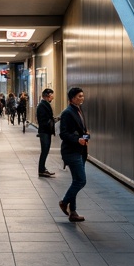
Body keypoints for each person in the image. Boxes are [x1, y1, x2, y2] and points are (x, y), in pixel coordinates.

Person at [58, 87, 89, 221]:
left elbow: (80, 130)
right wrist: (78, 139)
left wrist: (85, 137)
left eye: (82, 96)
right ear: (72, 98)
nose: (82, 98)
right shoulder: (67, 113)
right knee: (81, 180)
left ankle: (73, 212)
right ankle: (64, 202)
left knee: (76, 180)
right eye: (79, 96)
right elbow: (63, 134)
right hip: (71, 152)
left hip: (80, 150)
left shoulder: (78, 110)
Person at [36, 88, 56, 177]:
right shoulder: (42, 105)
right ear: (47, 96)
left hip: (46, 131)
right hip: (45, 131)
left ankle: (43, 169)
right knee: (44, 150)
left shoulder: (44, 104)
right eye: (52, 95)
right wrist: (51, 121)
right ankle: (41, 170)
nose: (53, 97)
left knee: (45, 150)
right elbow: (43, 120)